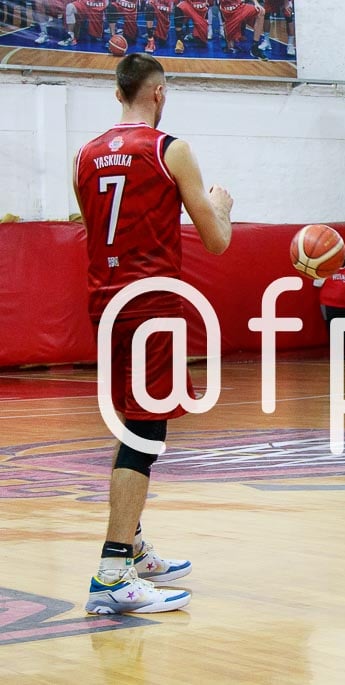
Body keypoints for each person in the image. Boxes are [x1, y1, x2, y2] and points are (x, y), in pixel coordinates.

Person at [75, 54, 233, 613]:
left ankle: (136, 547)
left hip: (105, 304)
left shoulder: (85, 155)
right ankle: (113, 570)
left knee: (130, 423)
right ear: (159, 93)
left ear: (119, 93)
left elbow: (92, 228)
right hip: (151, 305)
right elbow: (216, 241)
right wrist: (221, 206)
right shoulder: (170, 148)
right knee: (143, 434)